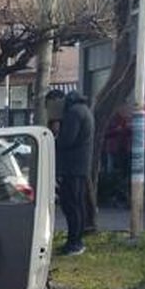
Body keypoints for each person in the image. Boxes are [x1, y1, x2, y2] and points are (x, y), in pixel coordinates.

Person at [46, 89, 94, 256]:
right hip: (79, 166)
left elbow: (67, 140)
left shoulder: (73, 113)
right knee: (77, 204)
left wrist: (53, 137)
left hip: (72, 167)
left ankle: (75, 242)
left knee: (72, 205)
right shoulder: (82, 110)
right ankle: (75, 240)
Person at [103, 104, 145, 210]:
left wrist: (141, 129)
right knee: (129, 174)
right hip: (131, 147)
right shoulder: (129, 113)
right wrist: (124, 130)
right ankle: (130, 199)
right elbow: (122, 129)